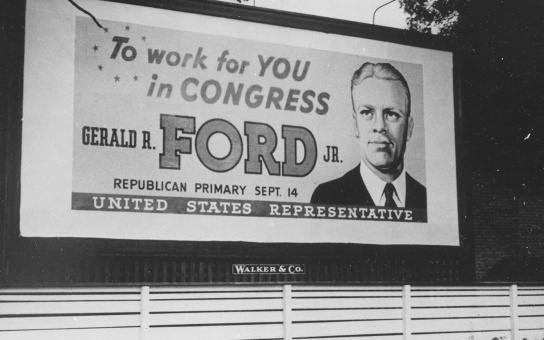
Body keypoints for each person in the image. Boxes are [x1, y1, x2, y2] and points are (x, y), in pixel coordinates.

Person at [311, 62, 426, 209]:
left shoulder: (427, 199)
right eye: (367, 113)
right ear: (355, 125)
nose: (380, 126)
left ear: (409, 128)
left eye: (392, 114)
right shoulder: (327, 197)